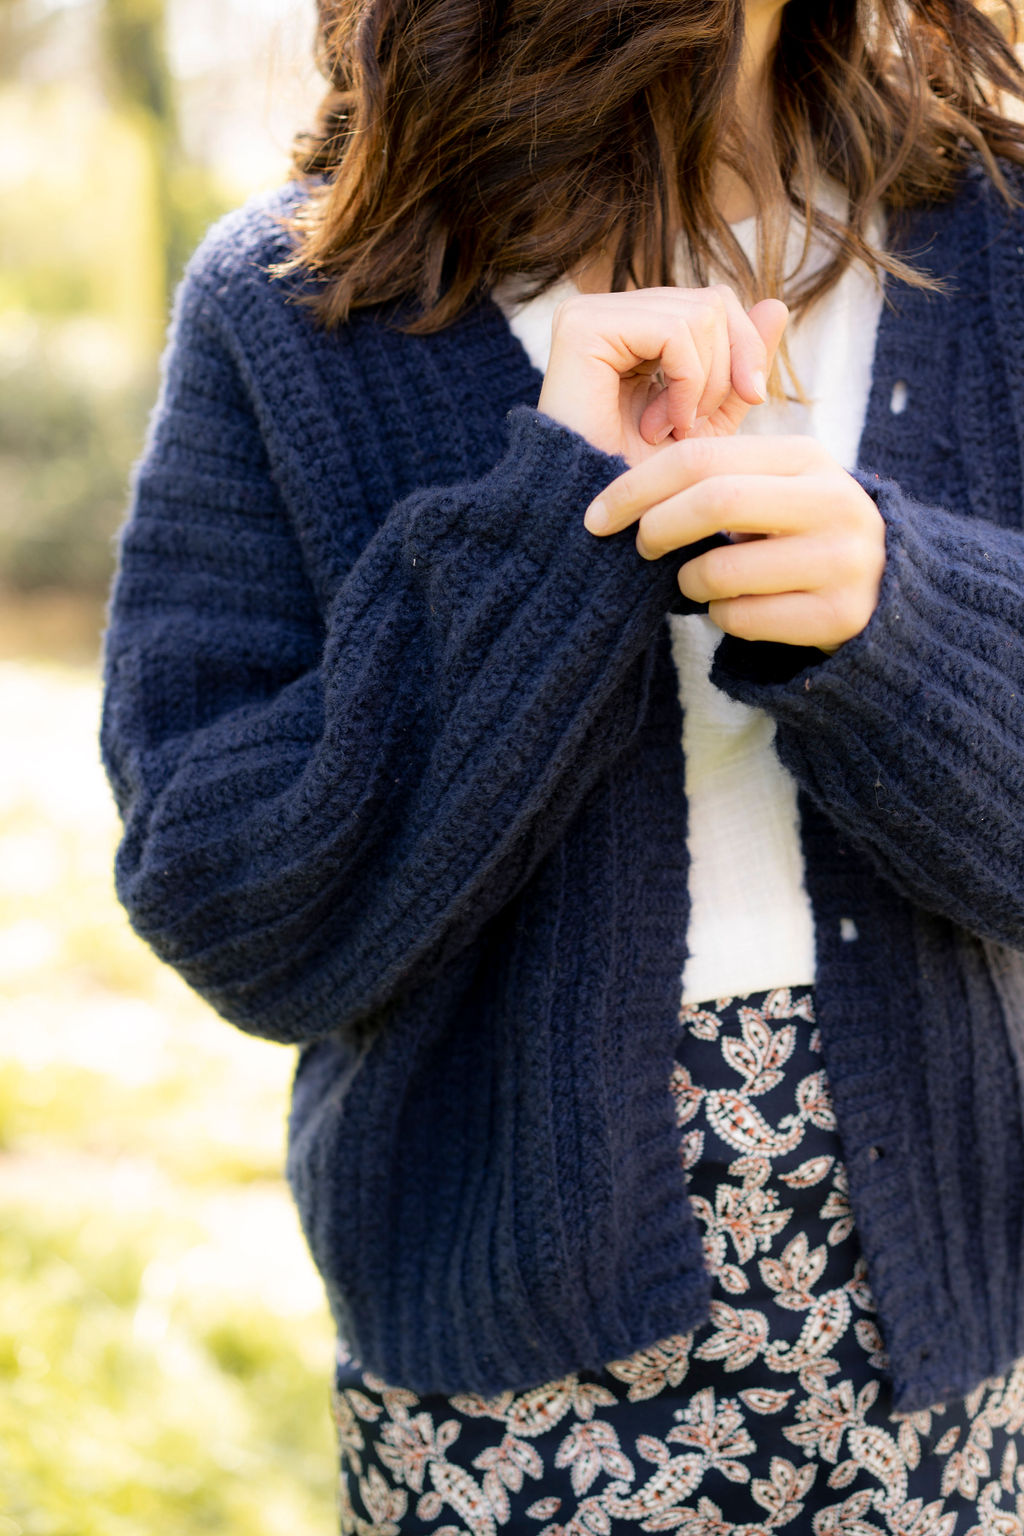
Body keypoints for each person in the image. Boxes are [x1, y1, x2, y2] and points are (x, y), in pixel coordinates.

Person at [100, 0, 1024, 1527]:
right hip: (498, 1364)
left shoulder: (993, 241)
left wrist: (899, 621)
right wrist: (544, 542)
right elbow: (234, 905)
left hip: (936, 1347)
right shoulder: (298, 303)